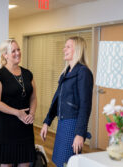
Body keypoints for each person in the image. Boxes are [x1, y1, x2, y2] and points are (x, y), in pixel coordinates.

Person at [40, 36, 93, 167]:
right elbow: (56, 99)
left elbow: (85, 105)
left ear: (78, 50)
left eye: (68, 46)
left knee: (69, 162)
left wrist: (80, 134)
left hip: (73, 124)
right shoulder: (66, 72)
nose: (64, 49)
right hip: (63, 123)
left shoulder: (83, 72)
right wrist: (47, 122)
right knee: (60, 162)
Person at [0, 39, 37, 167]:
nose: (17, 53)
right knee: (7, 163)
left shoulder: (28, 74)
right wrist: (17, 113)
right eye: (13, 51)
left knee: (25, 162)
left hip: (25, 125)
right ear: (5, 55)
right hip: (6, 127)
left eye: (18, 49)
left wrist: (31, 113)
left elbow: (33, 97)